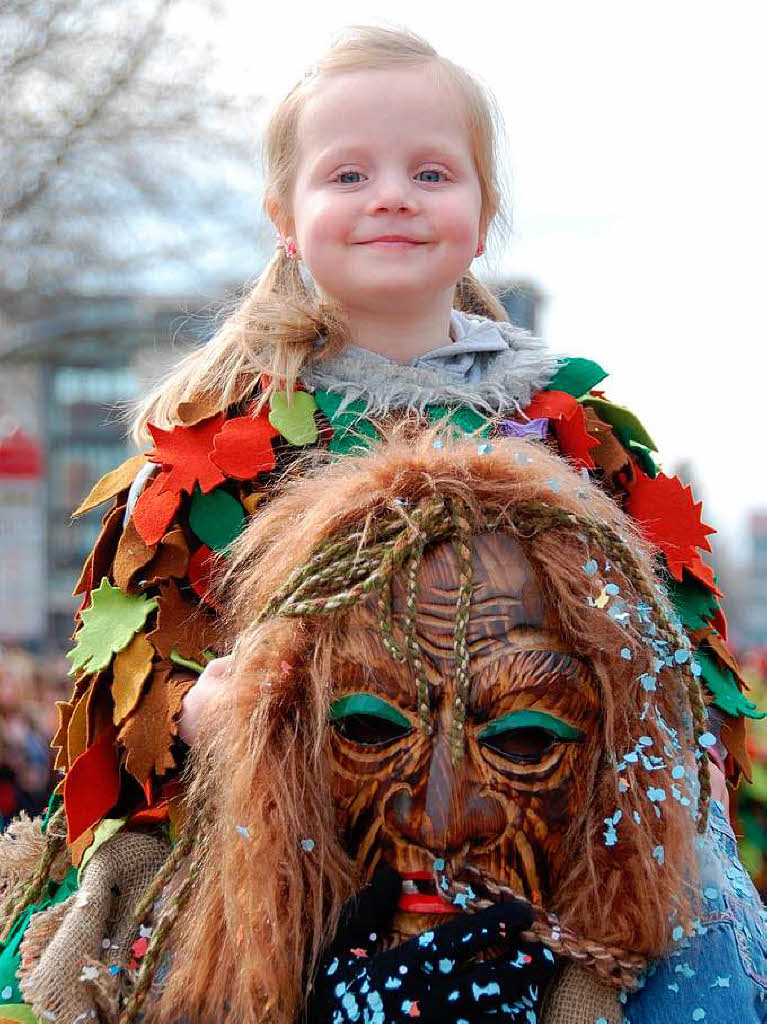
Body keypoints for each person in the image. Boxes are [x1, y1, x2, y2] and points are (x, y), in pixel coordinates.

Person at [0, 23, 762, 1023]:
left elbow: (667, 637)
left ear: (483, 216)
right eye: (348, 173)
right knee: (167, 950)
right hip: (303, 808)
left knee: (687, 905)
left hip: (535, 803)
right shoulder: (217, 439)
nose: (391, 194)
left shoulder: (568, 429)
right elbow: (133, 657)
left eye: (431, 172)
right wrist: (201, 708)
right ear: (286, 217)